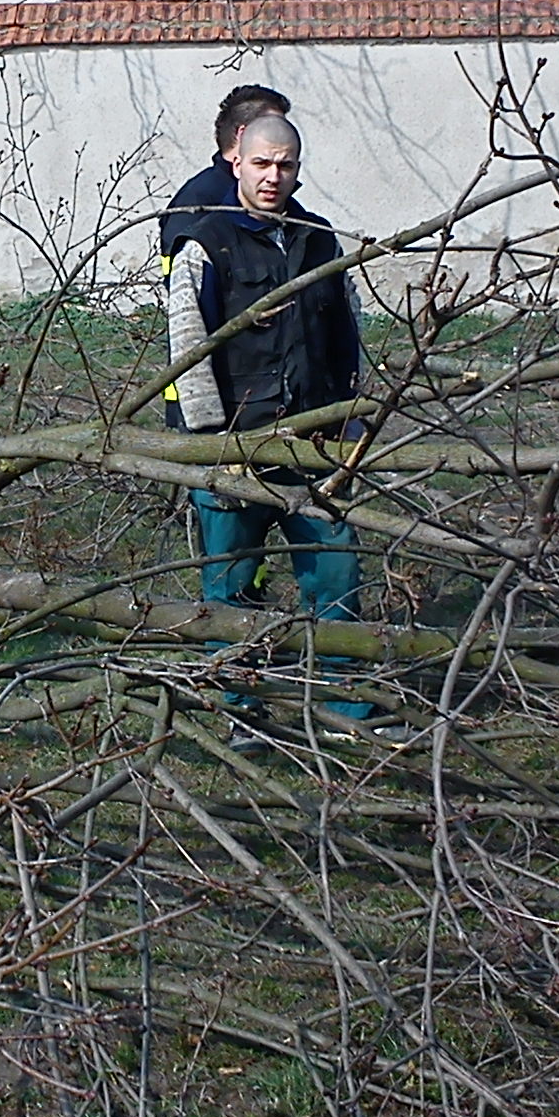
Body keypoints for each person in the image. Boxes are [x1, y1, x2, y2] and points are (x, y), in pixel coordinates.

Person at [163, 114, 370, 720]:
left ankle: (345, 703)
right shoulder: (204, 243)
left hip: (314, 444)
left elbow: (348, 333)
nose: (273, 177)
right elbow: (187, 345)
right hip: (235, 448)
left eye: (285, 166)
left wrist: (352, 422)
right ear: (236, 162)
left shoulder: (319, 240)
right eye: (262, 164)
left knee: (337, 572)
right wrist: (210, 443)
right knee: (230, 587)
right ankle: (240, 707)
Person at [160, 83, 291, 262]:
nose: (281, 135)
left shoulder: (284, 204)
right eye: (271, 126)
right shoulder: (199, 200)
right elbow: (180, 275)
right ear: (243, 134)